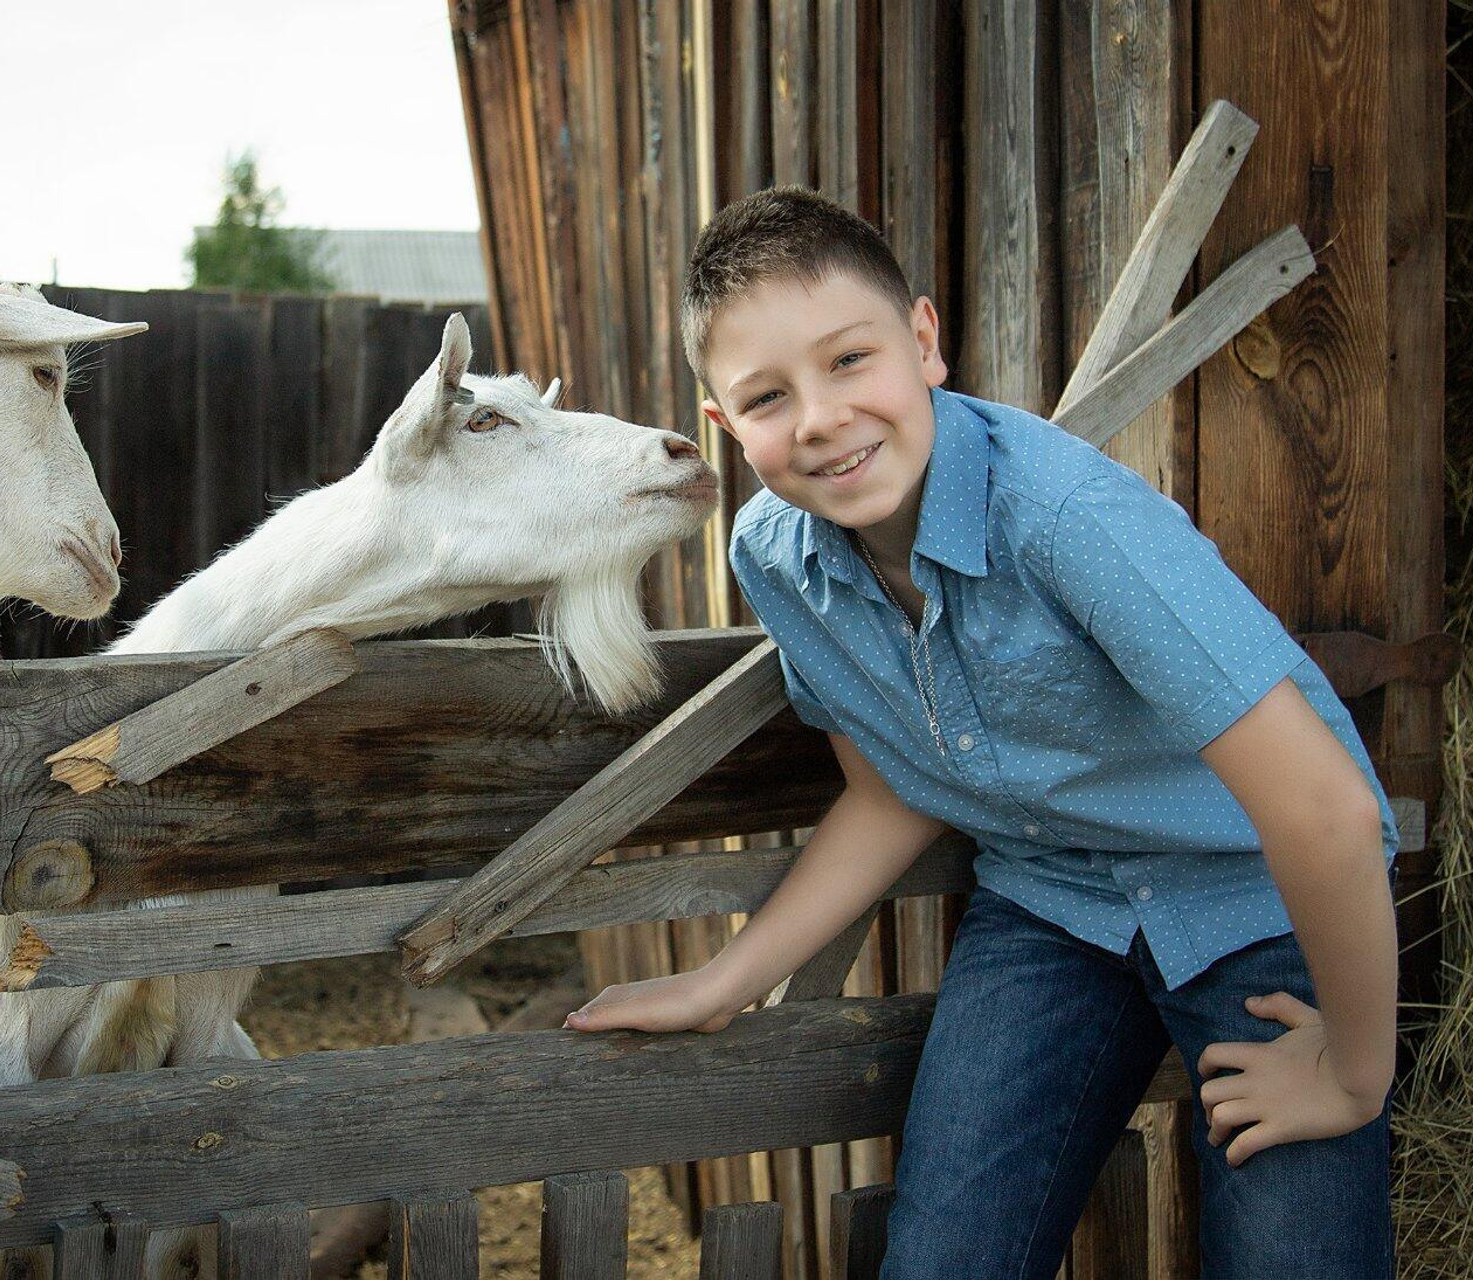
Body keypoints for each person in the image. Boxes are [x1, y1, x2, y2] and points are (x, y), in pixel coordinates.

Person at [562, 186, 1399, 1278]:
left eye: (850, 359)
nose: (817, 417)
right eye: (768, 396)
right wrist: (726, 979)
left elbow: (1322, 807)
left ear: (923, 341)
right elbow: (890, 789)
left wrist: (1352, 1070)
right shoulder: (776, 557)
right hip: (1052, 902)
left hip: (1252, 886)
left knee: (1299, 1253)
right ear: (725, 425)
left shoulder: (1060, 519)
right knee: (947, 1254)